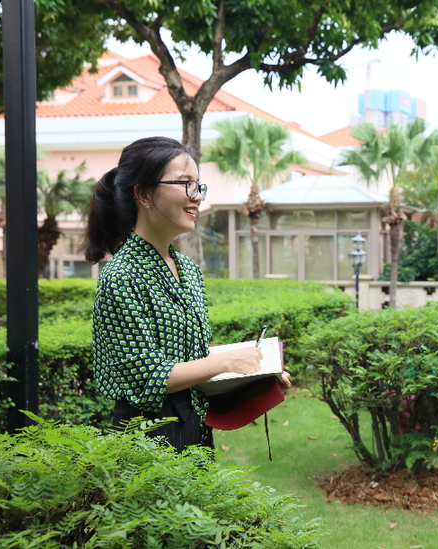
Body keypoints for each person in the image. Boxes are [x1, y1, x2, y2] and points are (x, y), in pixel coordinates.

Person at [83, 136, 289, 452]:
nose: (196, 197)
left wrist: (259, 376)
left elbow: (194, 361)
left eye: (198, 186)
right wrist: (228, 362)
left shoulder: (188, 269)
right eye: (185, 184)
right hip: (146, 435)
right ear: (143, 194)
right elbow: (147, 377)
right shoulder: (121, 275)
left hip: (195, 425)